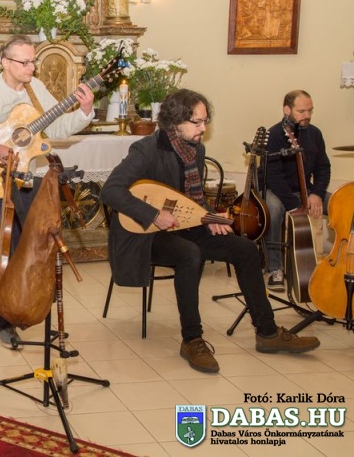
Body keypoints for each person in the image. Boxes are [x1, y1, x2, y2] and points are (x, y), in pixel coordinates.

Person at [100, 89, 319, 373]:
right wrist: (154, 215)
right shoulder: (146, 150)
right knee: (189, 254)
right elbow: (111, 190)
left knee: (245, 249)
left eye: (205, 121)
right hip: (145, 234)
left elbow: (191, 198)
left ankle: (267, 332)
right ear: (174, 121)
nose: (203, 128)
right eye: (196, 122)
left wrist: (209, 216)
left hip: (185, 224)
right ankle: (192, 340)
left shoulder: (196, 149)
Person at [0, 34, 95, 349]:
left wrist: (84, 110)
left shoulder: (35, 88)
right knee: (6, 248)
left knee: (26, 243)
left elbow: (56, 128)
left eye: (33, 61)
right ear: (5, 62)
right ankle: (5, 322)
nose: (31, 67)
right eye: (24, 62)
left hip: (23, 177)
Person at [262, 89, 331, 290]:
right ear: (287, 110)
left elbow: (323, 167)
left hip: (306, 190)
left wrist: (317, 194)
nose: (307, 115)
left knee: (343, 206)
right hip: (277, 190)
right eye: (301, 111)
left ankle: (342, 262)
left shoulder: (315, 133)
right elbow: (273, 176)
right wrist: (296, 205)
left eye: (310, 110)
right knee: (273, 209)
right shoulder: (274, 135)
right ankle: (275, 268)